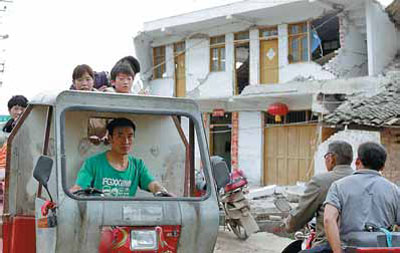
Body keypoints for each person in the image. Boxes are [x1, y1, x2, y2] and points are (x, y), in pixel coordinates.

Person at [324, 142, 400, 253]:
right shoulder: (394, 190)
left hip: (348, 249)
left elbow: (328, 219)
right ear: (383, 166)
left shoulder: (339, 186)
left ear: (357, 161)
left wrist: (337, 251)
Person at [70, 117, 171, 197]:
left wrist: (163, 192)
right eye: (120, 136)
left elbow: (152, 184)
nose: (126, 141)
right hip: (99, 219)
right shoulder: (92, 163)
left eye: (130, 136)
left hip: (126, 219)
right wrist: (70, 194)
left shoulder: (138, 165)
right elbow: (79, 188)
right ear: (110, 138)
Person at [285, 141, 354, 251]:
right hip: (360, 244)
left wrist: (289, 224)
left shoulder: (321, 181)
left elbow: (301, 214)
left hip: (327, 246)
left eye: (326, 156)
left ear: (330, 158)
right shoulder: (362, 181)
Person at [0, 95, 28, 176]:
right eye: (16, 108)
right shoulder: (2, 127)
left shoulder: (30, 128)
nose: (19, 112)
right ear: (9, 110)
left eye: (22, 109)